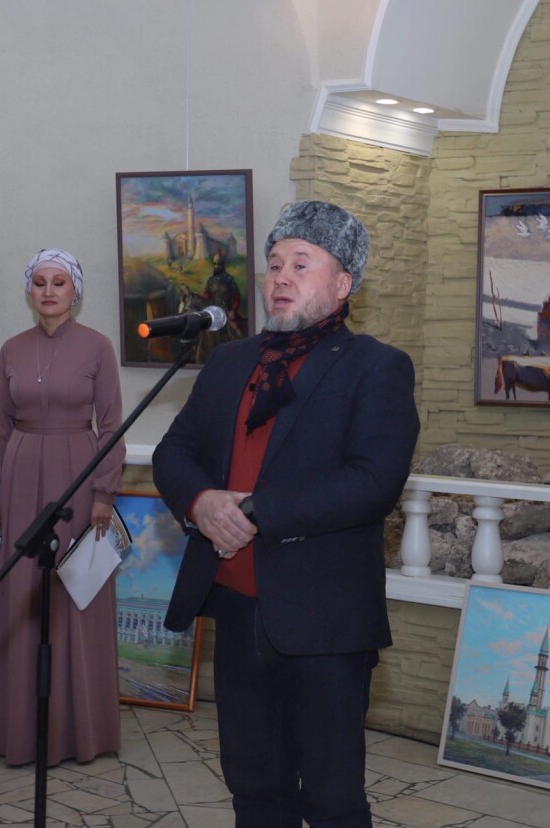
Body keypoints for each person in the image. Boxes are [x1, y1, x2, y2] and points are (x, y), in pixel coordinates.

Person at [153, 201, 420, 826]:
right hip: (237, 609)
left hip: (326, 619)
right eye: (274, 264)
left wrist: (254, 511)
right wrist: (201, 501)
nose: (280, 277)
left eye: (301, 264)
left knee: (331, 800)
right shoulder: (229, 362)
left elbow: (373, 481)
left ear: (344, 283)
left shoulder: (376, 366)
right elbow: (174, 452)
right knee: (254, 790)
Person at [0, 247, 125, 766]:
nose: (48, 292)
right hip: (18, 479)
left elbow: (112, 425)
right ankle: (14, 732)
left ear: (75, 291)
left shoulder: (98, 347)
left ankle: (77, 733)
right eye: (39, 282)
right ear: (29, 291)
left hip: (77, 479)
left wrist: (103, 493)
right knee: (18, 593)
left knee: (73, 596)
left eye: (59, 282)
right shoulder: (12, 349)